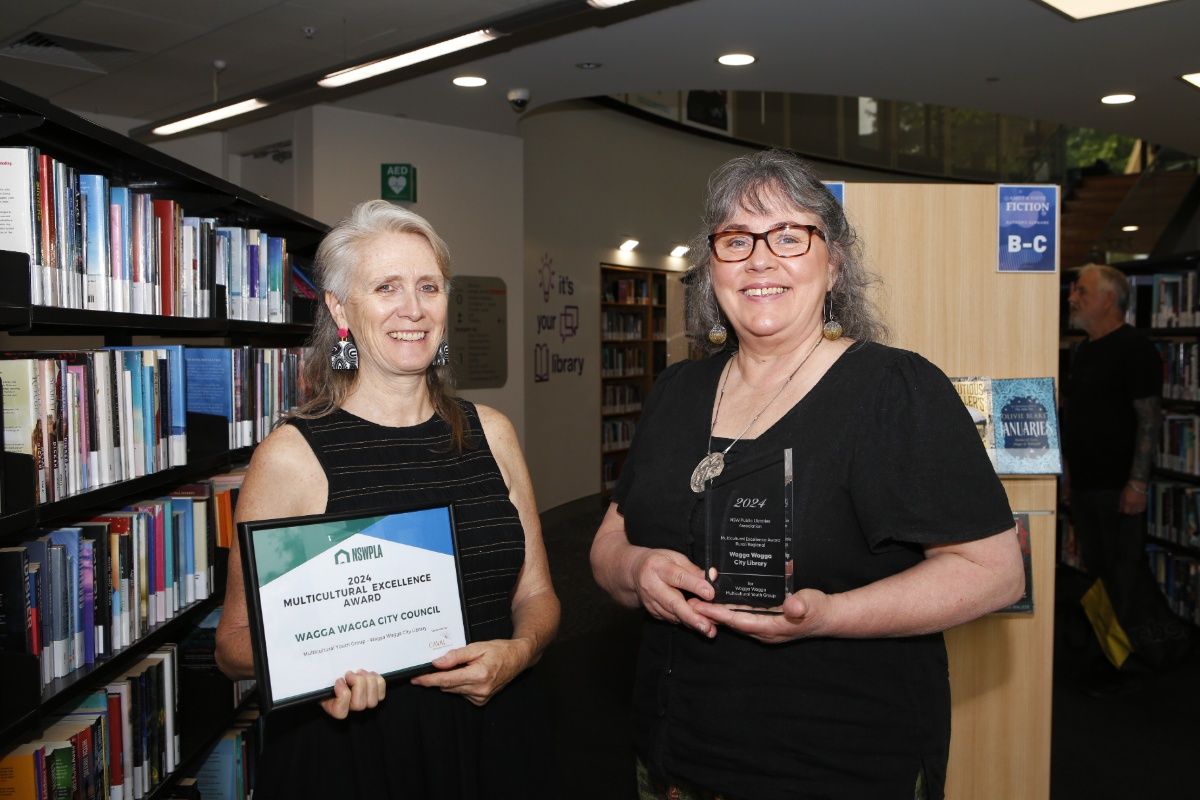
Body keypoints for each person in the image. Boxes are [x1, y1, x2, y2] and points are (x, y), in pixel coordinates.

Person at [590, 150, 1025, 800]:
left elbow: (994, 573)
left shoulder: (895, 392)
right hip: (677, 754)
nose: (761, 260)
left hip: (839, 762)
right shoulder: (677, 390)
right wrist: (637, 572)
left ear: (835, 263)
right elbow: (609, 542)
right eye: (737, 240)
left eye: (790, 237)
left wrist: (829, 615)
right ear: (712, 269)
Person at [215, 200, 559, 799]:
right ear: (339, 308)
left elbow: (537, 595)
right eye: (386, 287)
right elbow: (233, 646)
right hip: (357, 755)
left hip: (495, 737)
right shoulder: (293, 456)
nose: (414, 308)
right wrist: (327, 672)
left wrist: (520, 652)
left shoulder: (494, 433)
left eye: (429, 286)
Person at [1063, 263, 1188, 683]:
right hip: (1085, 486)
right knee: (1099, 574)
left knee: (1124, 575)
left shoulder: (1135, 349)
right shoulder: (1083, 351)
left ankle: (1150, 656)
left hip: (1119, 487)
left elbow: (1149, 420)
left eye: (1081, 290)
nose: (1072, 296)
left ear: (1109, 298)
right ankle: (1114, 655)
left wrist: (1137, 482)